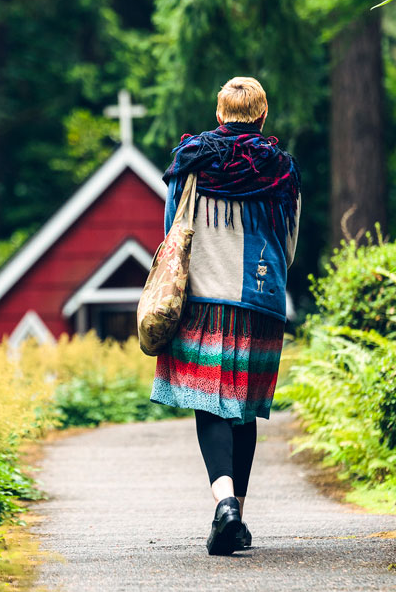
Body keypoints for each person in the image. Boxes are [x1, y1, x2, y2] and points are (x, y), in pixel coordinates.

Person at [149, 76, 301, 555]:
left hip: (203, 300)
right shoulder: (281, 168)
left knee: (211, 402)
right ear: (262, 116)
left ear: (219, 115)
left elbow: (173, 230)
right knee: (245, 406)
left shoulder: (192, 160)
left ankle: (224, 505)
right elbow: (290, 242)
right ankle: (238, 513)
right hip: (260, 301)